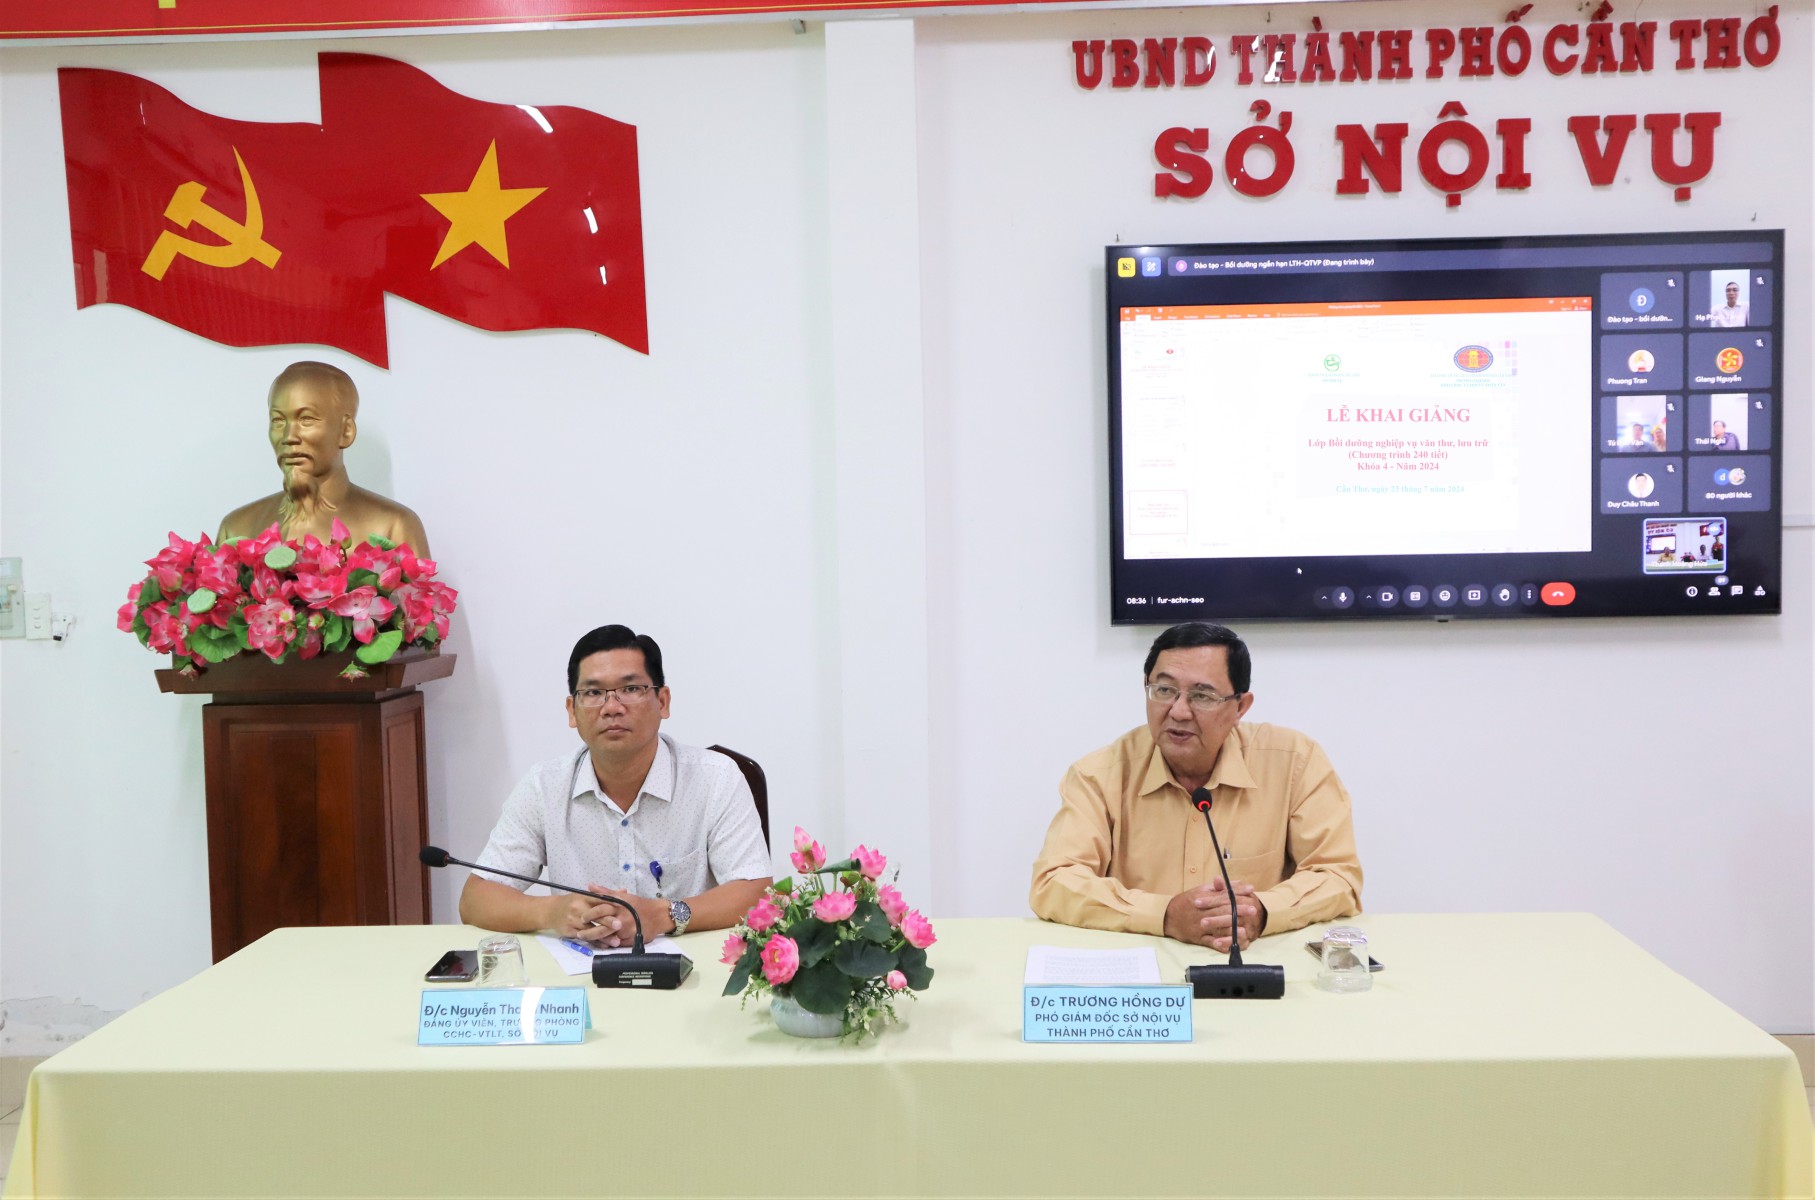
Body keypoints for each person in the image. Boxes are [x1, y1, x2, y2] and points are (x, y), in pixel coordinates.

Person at [1029, 622, 1361, 953]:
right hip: (1144, 971)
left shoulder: (1294, 763)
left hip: (1255, 964)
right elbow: (1054, 882)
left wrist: (1260, 911)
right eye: (1164, 690)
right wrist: (1164, 915)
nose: (1178, 711)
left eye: (1202, 696)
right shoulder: (1099, 775)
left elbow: (1338, 876)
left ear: (1240, 707)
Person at [459, 624, 772, 947]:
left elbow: (756, 893)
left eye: (631, 689)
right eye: (593, 693)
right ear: (572, 711)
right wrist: (552, 911)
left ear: (663, 701)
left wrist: (661, 915)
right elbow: (476, 898)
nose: (611, 707)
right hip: (580, 971)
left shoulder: (716, 778)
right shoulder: (544, 787)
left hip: (692, 968)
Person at [218, 361, 432, 553]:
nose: (289, 437)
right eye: (278, 421)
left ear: (346, 431)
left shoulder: (393, 528)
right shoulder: (237, 530)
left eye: (306, 419)